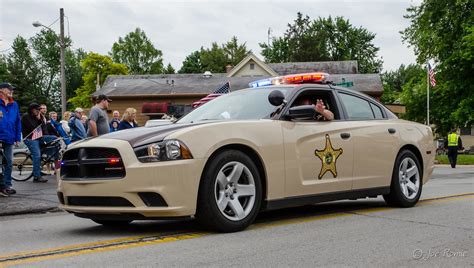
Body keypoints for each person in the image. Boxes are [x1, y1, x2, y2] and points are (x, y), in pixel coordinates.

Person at [21, 103, 59, 183]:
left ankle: (47, 157)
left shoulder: (39, 116)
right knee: (37, 155)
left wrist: (40, 119)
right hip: (30, 138)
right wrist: (38, 119)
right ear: (32, 109)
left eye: (39, 110)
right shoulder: (26, 117)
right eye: (37, 110)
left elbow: (43, 128)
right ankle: (36, 177)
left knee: (55, 139)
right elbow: (33, 128)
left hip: (39, 137)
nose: (38, 111)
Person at [0, 83, 22, 196]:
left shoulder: (14, 104)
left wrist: (17, 137)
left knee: (8, 162)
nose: (11, 91)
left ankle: (7, 185)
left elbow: (18, 121)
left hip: (10, 137)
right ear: (1, 90)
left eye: (12, 89)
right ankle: (1, 186)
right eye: (8, 89)